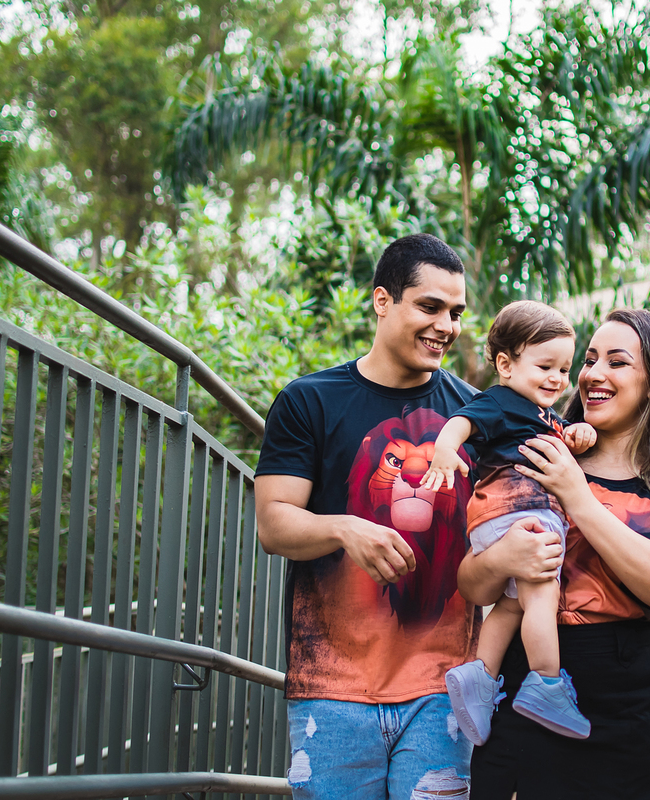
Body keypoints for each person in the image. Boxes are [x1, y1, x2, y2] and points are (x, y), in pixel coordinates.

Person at [254, 234, 562, 800]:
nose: (446, 326)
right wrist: (344, 527)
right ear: (382, 300)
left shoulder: (480, 413)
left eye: (456, 313)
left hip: (444, 692)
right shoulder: (308, 401)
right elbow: (273, 524)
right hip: (332, 691)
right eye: (429, 306)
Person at [460, 308, 650, 799]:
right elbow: (473, 585)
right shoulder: (537, 448)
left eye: (617, 361)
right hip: (524, 692)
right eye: (589, 360)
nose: (593, 374)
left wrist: (578, 497)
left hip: (623, 707)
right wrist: (504, 558)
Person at [420, 301, 597, 746]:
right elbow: (462, 421)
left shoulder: (540, 414)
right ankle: (547, 683)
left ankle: (480, 675)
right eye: (545, 367)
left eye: (564, 369)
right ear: (505, 364)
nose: (557, 378)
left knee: (513, 604)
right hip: (522, 509)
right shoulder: (501, 402)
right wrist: (445, 449)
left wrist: (578, 434)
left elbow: (561, 439)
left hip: (501, 516)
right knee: (542, 595)